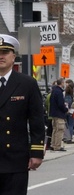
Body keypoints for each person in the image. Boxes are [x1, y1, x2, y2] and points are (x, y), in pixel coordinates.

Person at [0, 34, 45, 195]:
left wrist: (37, 152)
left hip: (15, 158)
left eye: (5, 52)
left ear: (14, 56)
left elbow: (37, 120)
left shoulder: (27, 83)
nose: (1, 56)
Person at [48, 78, 68, 152]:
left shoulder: (53, 91)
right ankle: (57, 146)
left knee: (55, 130)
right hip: (59, 114)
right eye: (64, 83)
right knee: (60, 130)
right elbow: (60, 104)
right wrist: (65, 109)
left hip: (53, 114)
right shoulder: (59, 92)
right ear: (62, 83)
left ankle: (53, 144)